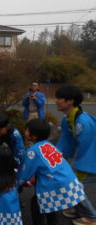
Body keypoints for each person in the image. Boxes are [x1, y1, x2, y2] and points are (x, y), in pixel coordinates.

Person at [18, 119, 88, 225]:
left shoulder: (33, 151)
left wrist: (14, 182)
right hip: (69, 182)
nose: (25, 132)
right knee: (51, 209)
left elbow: (25, 174)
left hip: (54, 185)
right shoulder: (49, 145)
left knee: (36, 204)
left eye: (27, 130)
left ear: (34, 136)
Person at [56, 85, 96, 225]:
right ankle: (80, 209)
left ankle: (91, 217)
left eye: (59, 98)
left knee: (72, 185)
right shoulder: (67, 120)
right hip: (88, 158)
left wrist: (74, 166)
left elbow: (89, 149)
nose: (56, 101)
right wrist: (54, 159)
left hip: (91, 160)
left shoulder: (83, 122)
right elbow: (65, 144)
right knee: (70, 182)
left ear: (70, 101)